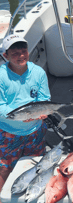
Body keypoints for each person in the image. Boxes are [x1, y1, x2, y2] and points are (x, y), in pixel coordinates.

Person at [0, 35, 51, 196]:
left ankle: (33, 195)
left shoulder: (38, 72)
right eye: (15, 53)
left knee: (36, 165)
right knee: (4, 167)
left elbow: (44, 99)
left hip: (35, 129)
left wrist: (40, 114)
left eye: (24, 51)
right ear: (5, 55)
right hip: (9, 130)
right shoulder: (1, 76)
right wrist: (21, 116)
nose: (21, 56)